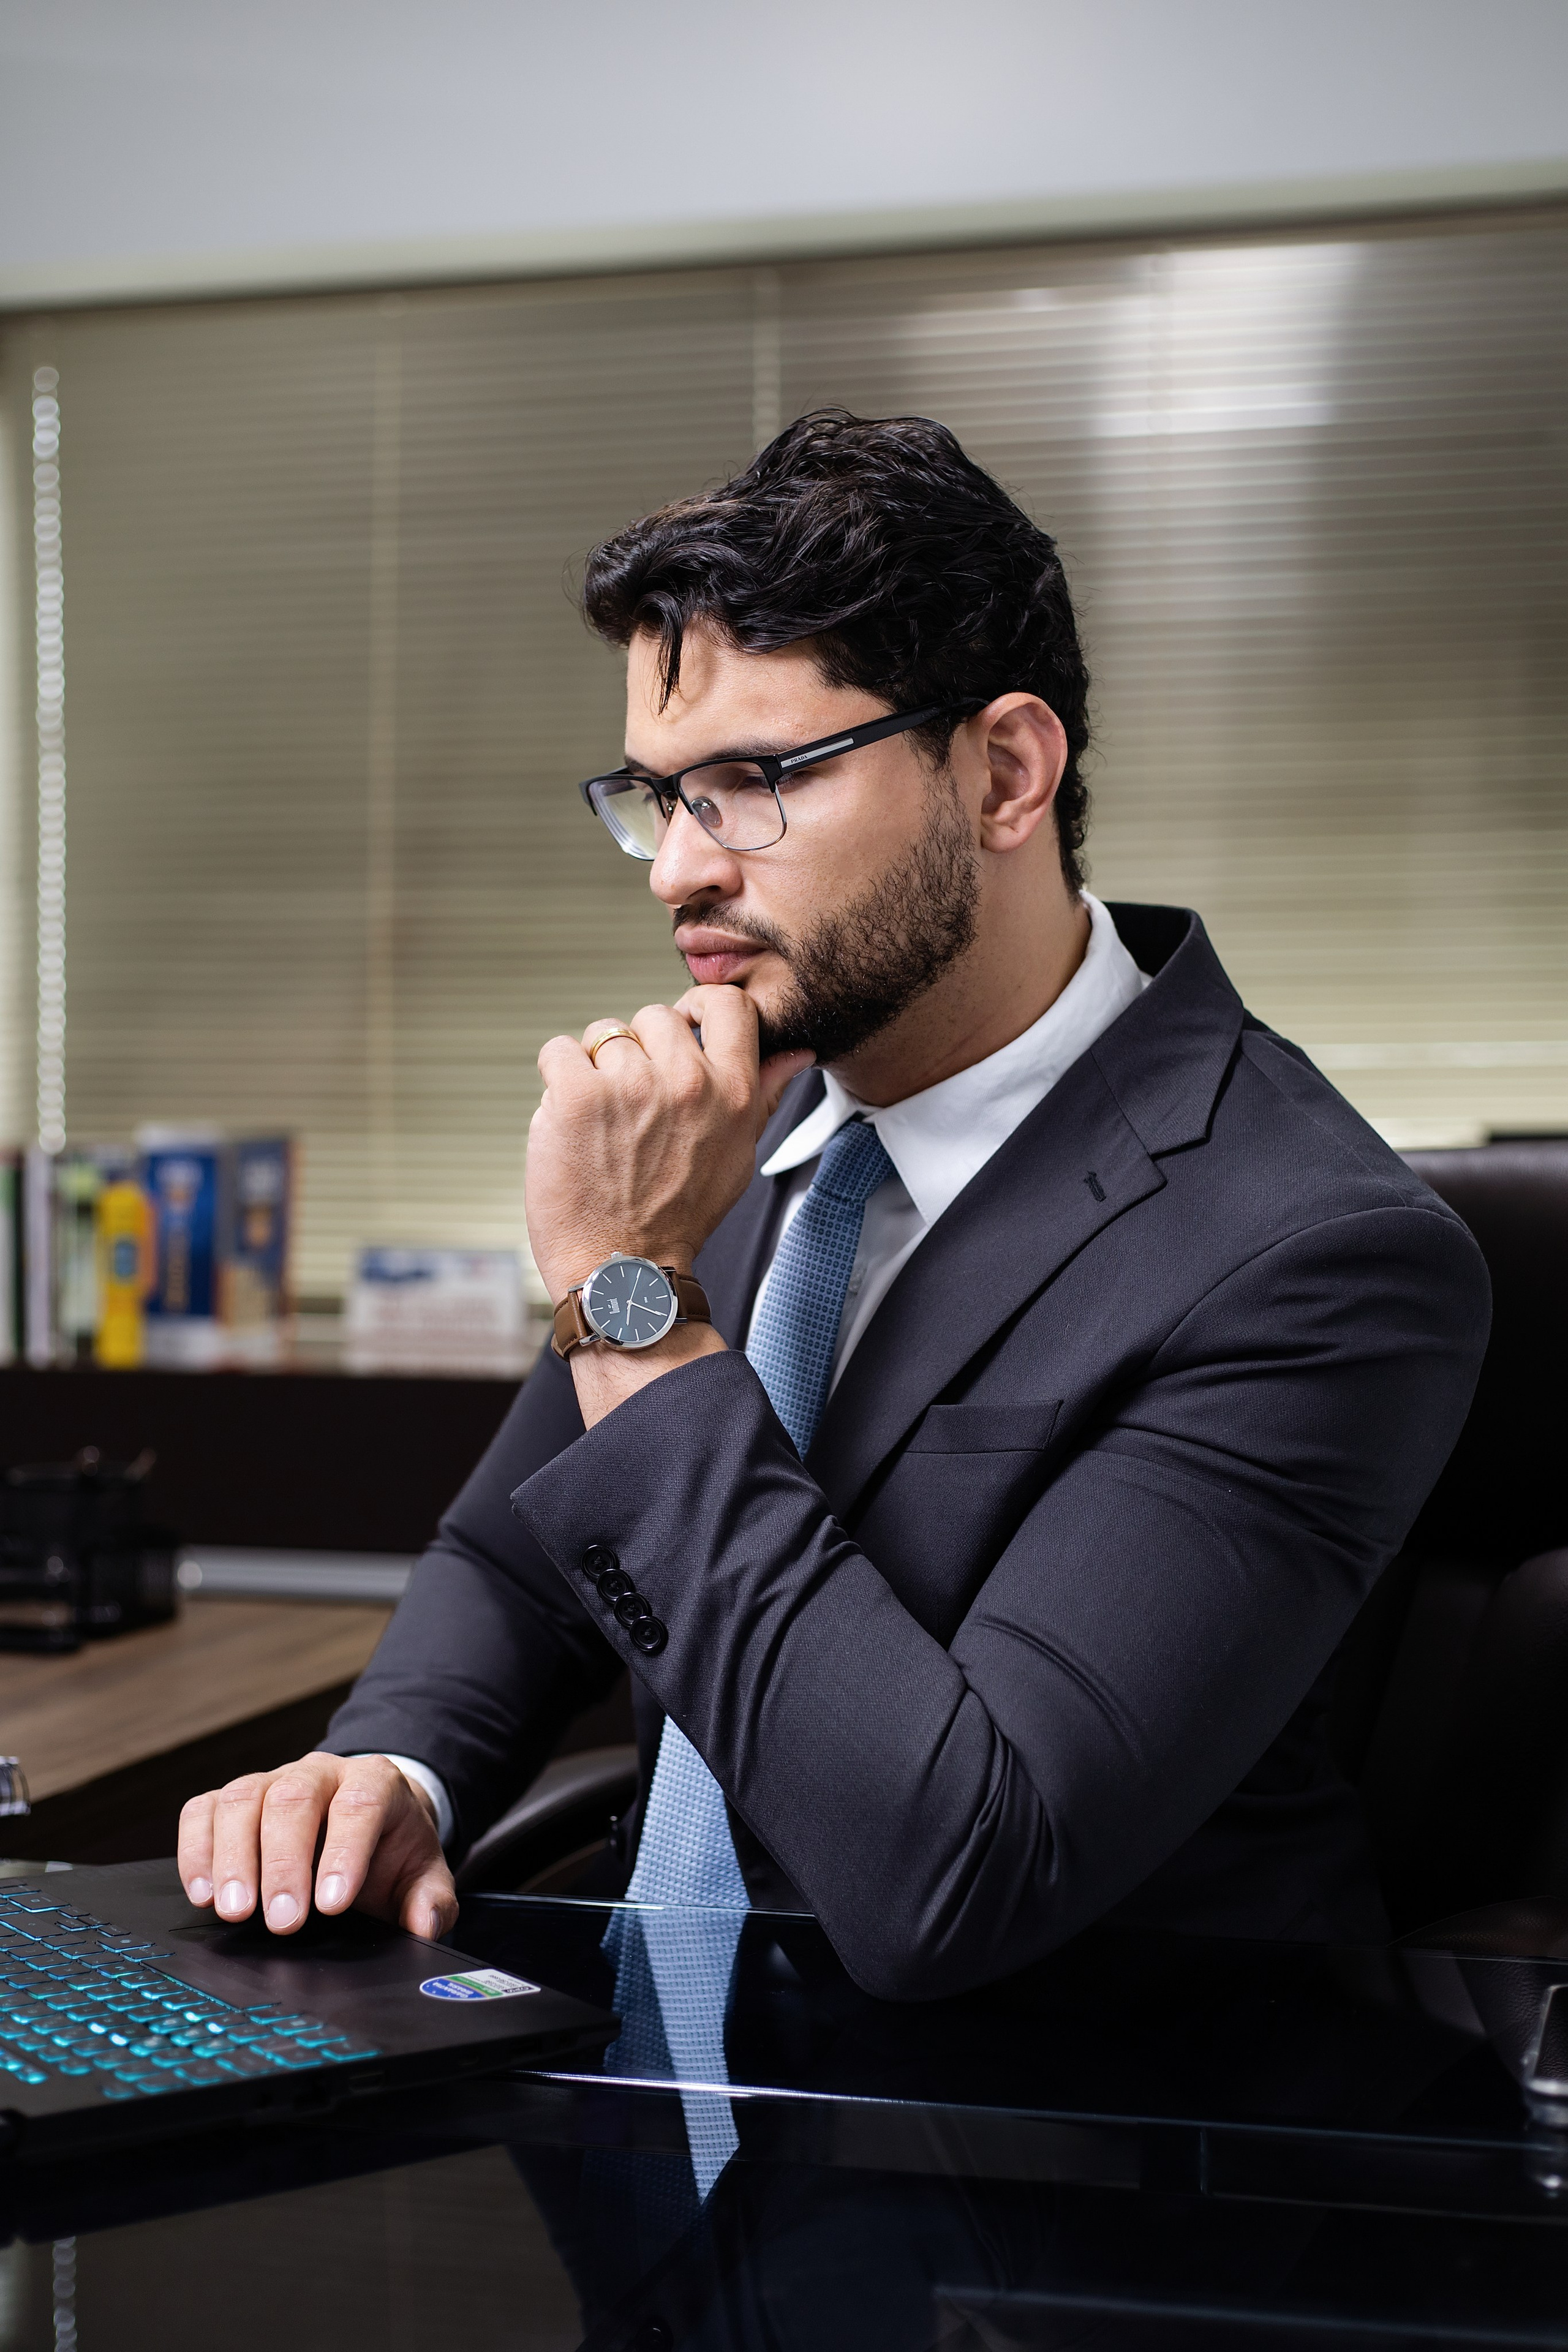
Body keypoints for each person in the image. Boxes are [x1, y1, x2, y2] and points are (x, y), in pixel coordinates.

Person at [178, 411, 1490, 2001]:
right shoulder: (743, 1123)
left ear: (1005, 770)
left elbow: (962, 1867)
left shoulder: (1313, 1253)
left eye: (750, 783)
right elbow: (522, 1565)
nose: (675, 871)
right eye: (656, 796)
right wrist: (398, 1768)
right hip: (660, 2119)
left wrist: (633, 1289)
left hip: (1079, 2170)